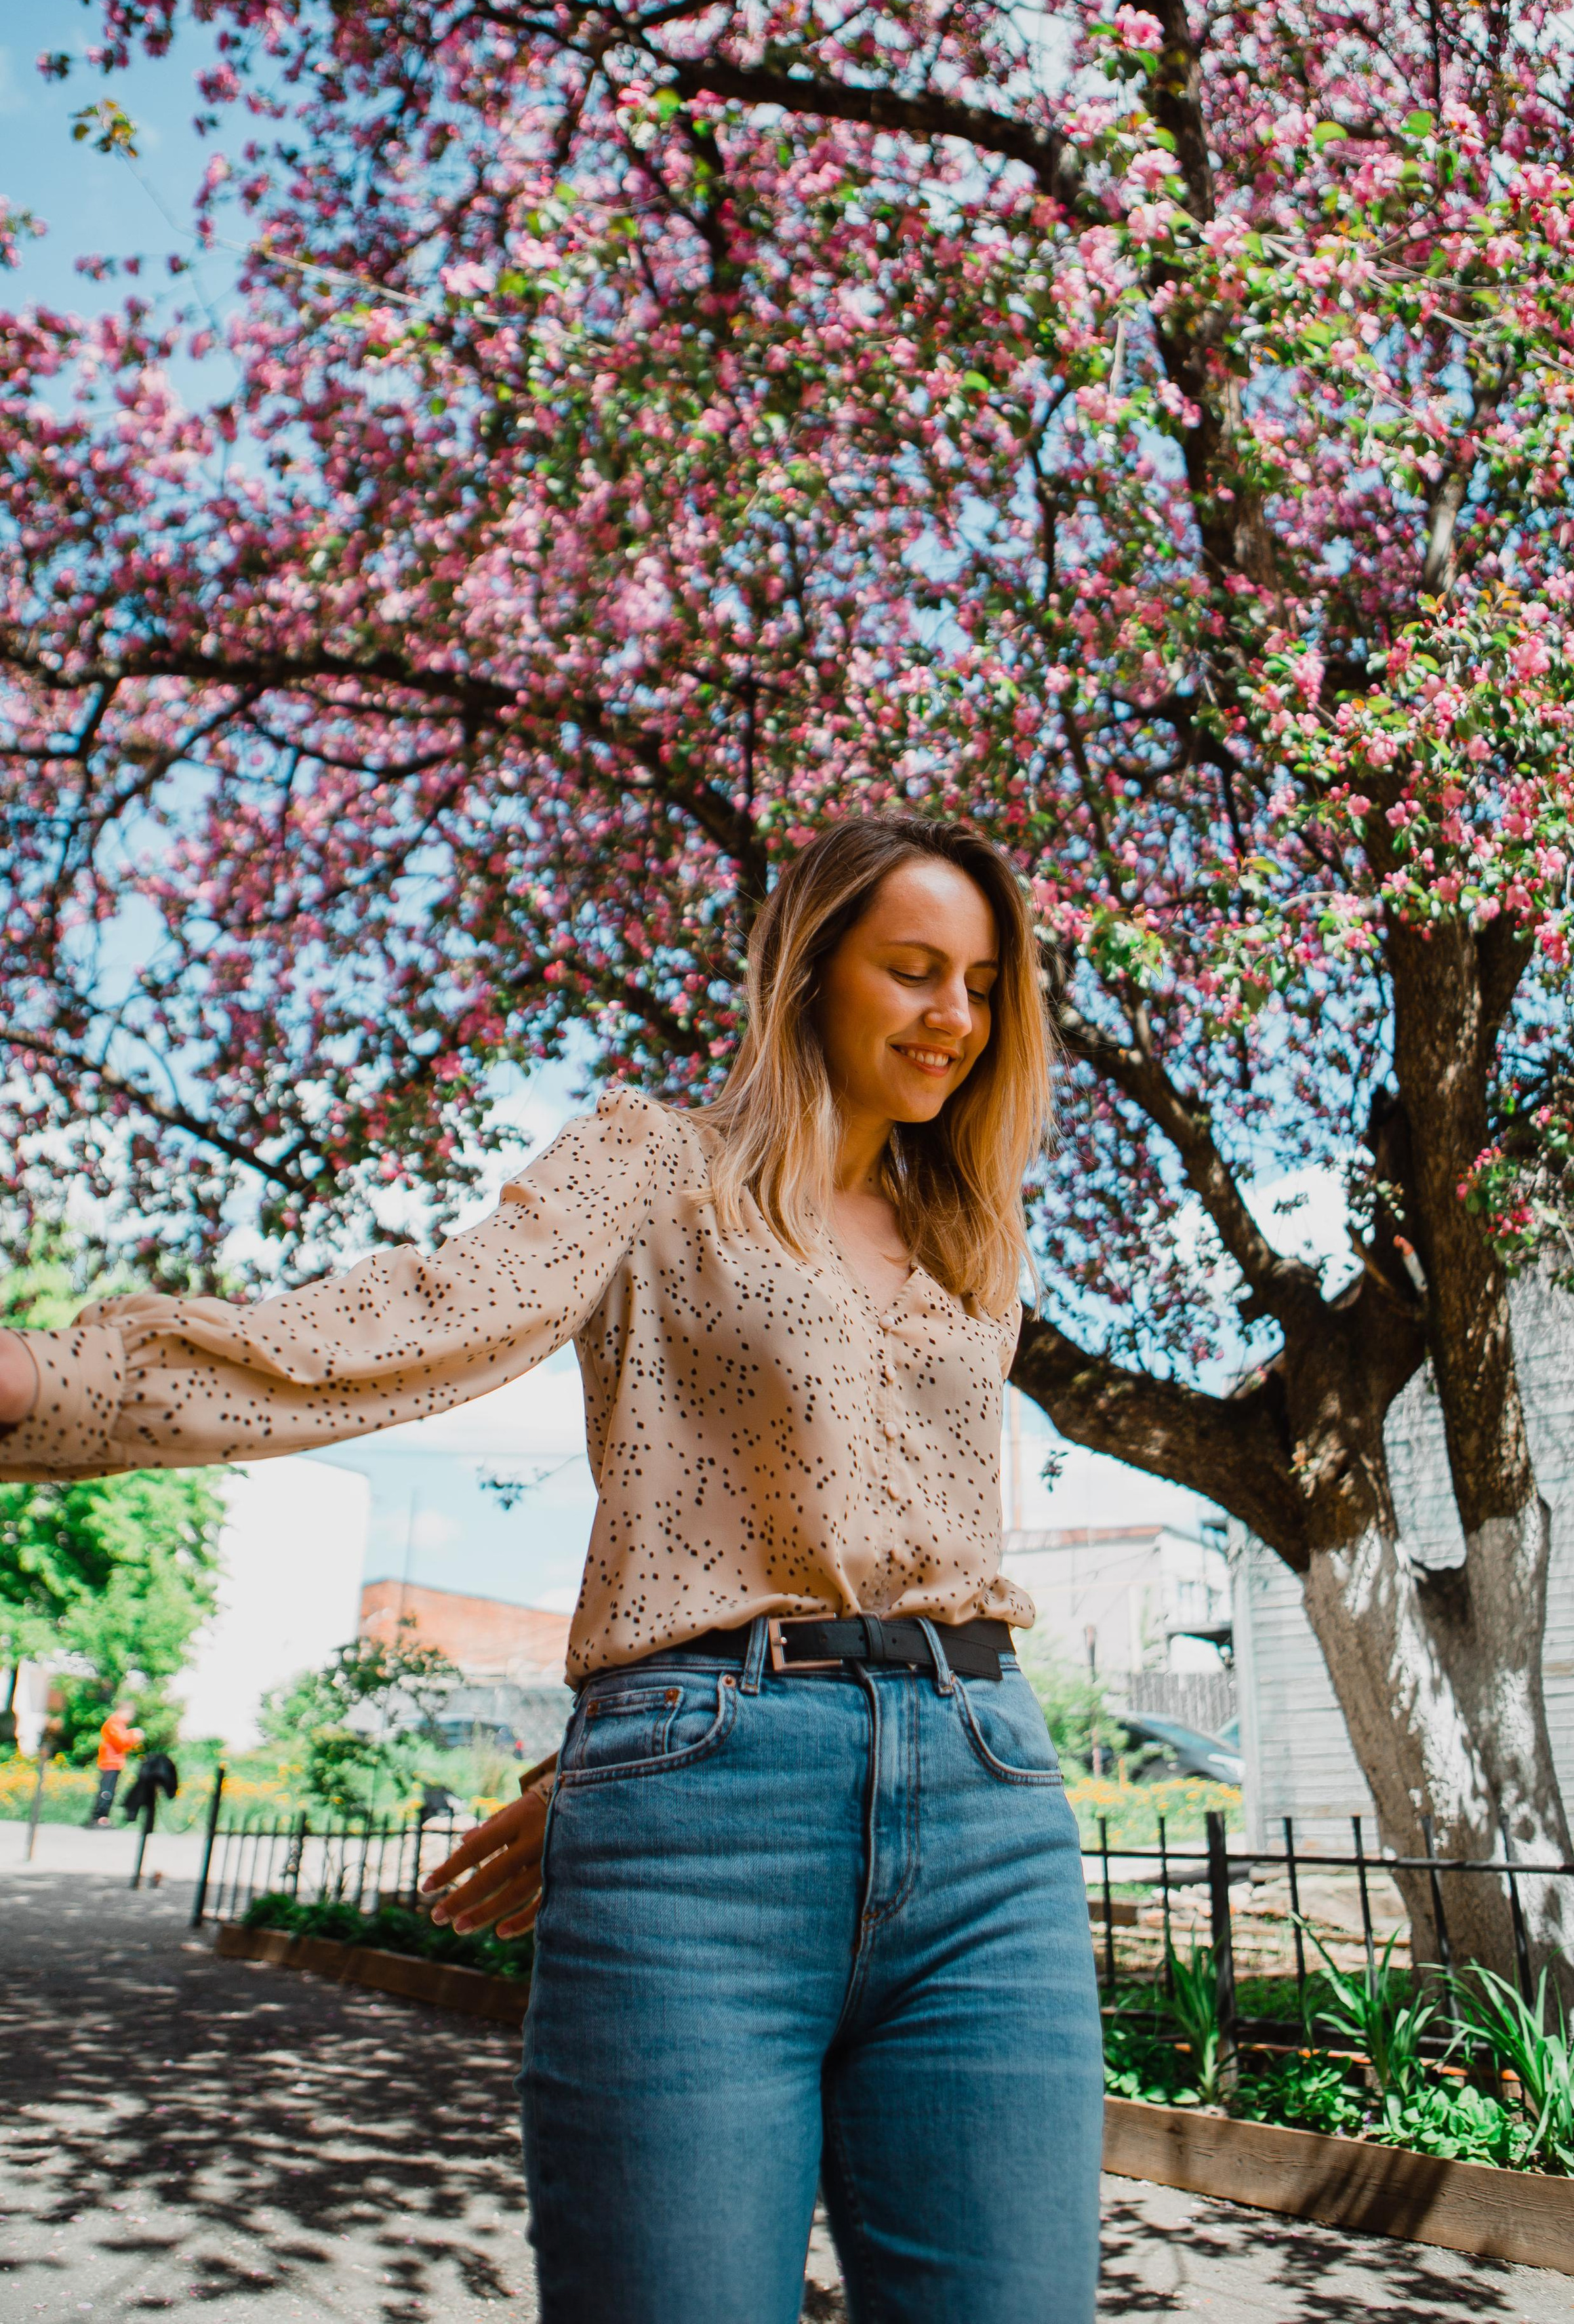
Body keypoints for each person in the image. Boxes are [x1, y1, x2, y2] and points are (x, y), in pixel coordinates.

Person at [0, 815, 1103, 2323]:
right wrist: (45, 1382)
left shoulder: (968, 1228)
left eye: (982, 984)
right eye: (912, 971)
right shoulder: (657, 1168)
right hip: (702, 1835)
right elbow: (421, 1318)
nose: (953, 1020)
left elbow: (900, 1540)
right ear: (807, 973)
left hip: (990, 1812)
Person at [85, 1696, 143, 1827]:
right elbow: (121, 1741)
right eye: (130, 1714)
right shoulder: (114, 1724)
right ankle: (99, 1817)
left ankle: (102, 1816)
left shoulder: (119, 1725)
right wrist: (134, 1735)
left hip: (114, 1762)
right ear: (122, 1711)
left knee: (109, 1790)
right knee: (107, 1791)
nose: (130, 1718)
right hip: (109, 1762)